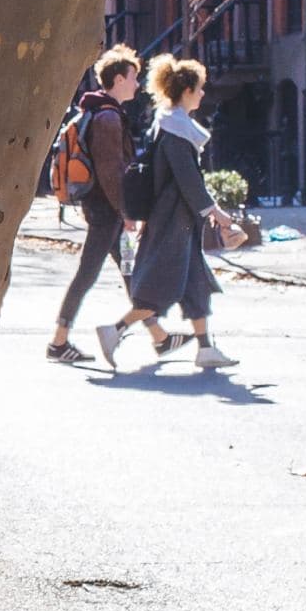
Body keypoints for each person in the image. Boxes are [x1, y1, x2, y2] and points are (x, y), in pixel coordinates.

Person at [97, 56, 237, 373]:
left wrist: (209, 210)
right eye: (199, 88)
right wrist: (216, 212)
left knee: (196, 285)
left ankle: (205, 349)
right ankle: (114, 331)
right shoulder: (176, 130)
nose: (203, 94)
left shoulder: (174, 124)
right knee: (160, 285)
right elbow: (187, 179)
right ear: (186, 90)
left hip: (181, 220)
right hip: (173, 221)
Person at [47, 46, 142, 365]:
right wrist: (126, 213)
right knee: (87, 273)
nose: (137, 84)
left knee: (130, 269)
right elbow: (110, 173)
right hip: (106, 211)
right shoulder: (108, 118)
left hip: (107, 210)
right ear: (118, 79)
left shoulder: (101, 112)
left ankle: (159, 335)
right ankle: (59, 342)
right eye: (133, 78)